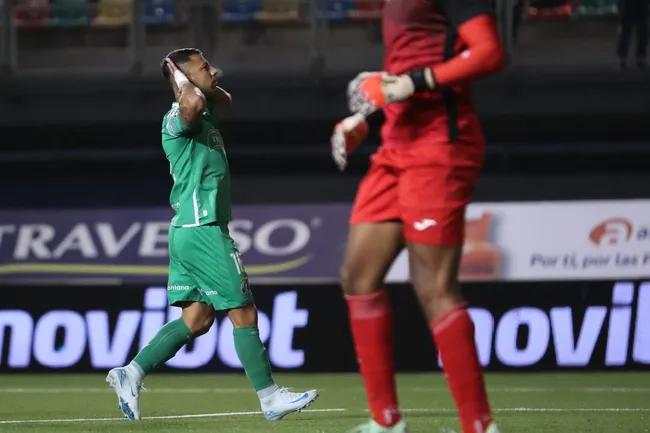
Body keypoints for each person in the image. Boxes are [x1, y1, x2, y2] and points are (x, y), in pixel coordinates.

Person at [107, 48, 318, 422]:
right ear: (183, 79)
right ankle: (270, 399)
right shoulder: (178, 118)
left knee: (198, 320)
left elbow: (225, 100)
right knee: (243, 310)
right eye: (204, 67)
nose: (213, 70)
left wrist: (202, 80)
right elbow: (191, 101)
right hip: (201, 229)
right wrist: (183, 80)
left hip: (190, 230)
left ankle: (131, 373)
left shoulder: (206, 114)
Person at [330, 0, 505, 431]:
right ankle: (386, 422)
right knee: (357, 277)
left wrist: (412, 83)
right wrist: (363, 118)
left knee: (433, 285)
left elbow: (489, 53)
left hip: (440, 145)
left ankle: (480, 427)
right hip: (396, 147)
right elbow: (404, 70)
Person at [617, 0, 649, 69]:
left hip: (634, 5)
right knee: (640, 32)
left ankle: (624, 58)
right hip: (635, 5)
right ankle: (638, 57)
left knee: (630, 32)